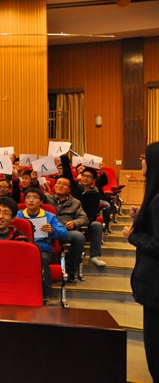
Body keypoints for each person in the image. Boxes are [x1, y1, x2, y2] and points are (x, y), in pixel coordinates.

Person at [123, 143, 159, 381]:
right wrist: (142, 220)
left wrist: (132, 235)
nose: (141, 162)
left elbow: (157, 245)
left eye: (144, 157)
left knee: (155, 353)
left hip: (156, 287)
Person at [17, 187, 68, 299]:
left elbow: (65, 234)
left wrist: (52, 231)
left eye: (34, 197)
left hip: (43, 250)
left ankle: (44, 293)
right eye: (28, 197)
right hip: (22, 249)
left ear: (41, 202)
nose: (31, 200)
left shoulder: (49, 216)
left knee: (41, 258)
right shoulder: (18, 215)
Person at [45, 176, 89, 284]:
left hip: (65, 231)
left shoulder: (75, 202)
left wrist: (74, 223)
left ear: (69, 189)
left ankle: (70, 272)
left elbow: (84, 218)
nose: (60, 186)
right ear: (54, 185)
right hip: (46, 229)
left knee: (79, 237)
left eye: (64, 184)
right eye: (58, 183)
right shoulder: (46, 198)